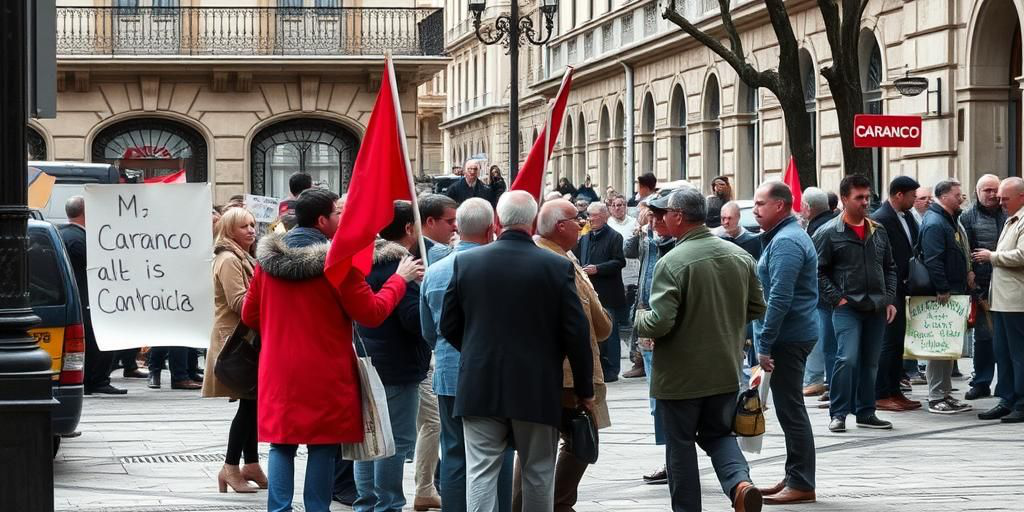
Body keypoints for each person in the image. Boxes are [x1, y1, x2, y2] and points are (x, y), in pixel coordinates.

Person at [242, 188, 423, 512]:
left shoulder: (265, 263)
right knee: (323, 448)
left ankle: (279, 508)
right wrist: (399, 280)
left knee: (281, 445)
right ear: (323, 220)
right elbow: (372, 312)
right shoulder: (339, 264)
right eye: (339, 212)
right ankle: (316, 508)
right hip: (325, 370)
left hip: (278, 368)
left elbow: (249, 314)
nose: (344, 218)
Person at [439, 191, 594, 512]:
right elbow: (576, 333)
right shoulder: (554, 266)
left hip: (480, 383)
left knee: (480, 471)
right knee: (538, 471)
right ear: (533, 221)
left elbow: (448, 324)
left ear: (498, 221)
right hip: (536, 385)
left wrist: (475, 354)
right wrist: (584, 389)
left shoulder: (466, 263)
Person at [634, 188, 765, 512]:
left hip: (679, 377)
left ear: (678, 216)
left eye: (665, 213)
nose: (661, 219)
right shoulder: (739, 256)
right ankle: (739, 483)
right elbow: (757, 307)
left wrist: (639, 319)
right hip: (723, 368)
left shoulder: (672, 262)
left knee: (679, 446)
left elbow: (661, 321)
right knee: (718, 434)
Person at [421, 198, 514, 512]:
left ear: (457, 227)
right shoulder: (500, 268)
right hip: (493, 373)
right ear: (492, 228)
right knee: (498, 451)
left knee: (454, 452)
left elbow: (428, 331)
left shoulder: (434, 272)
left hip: (449, 372)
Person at [524, 199, 614, 511]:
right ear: (560, 226)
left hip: (561, 371)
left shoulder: (559, 256)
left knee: (539, 451)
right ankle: (560, 503)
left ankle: (549, 502)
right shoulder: (555, 261)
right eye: (577, 219)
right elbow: (588, 321)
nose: (582, 224)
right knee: (579, 441)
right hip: (569, 374)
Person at [353, 201, 432, 512]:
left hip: (365, 357)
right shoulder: (405, 267)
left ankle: (366, 504)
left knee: (366, 440)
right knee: (394, 441)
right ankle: (389, 505)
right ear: (410, 229)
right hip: (397, 364)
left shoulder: (365, 259)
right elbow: (413, 319)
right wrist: (427, 295)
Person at [813, 175, 898, 433]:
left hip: (876, 307)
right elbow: (817, 271)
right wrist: (836, 298)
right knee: (847, 358)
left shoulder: (877, 230)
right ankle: (838, 413)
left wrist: (889, 298)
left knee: (871, 362)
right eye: (859, 197)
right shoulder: (828, 232)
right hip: (847, 307)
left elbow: (890, 267)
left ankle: (866, 411)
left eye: (867, 197)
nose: (865, 202)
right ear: (844, 199)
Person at [751, 182, 819, 505]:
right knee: (789, 407)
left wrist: (764, 343)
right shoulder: (782, 237)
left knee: (791, 409)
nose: (755, 209)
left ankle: (802, 481)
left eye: (760, 203)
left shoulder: (788, 242)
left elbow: (780, 297)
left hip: (788, 338)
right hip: (790, 335)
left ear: (780, 206)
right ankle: (795, 475)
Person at [205, 207, 264, 493]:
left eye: (253, 225)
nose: (252, 230)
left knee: (252, 402)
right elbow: (239, 302)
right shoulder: (229, 259)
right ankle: (230, 467)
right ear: (229, 230)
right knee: (249, 403)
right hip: (236, 342)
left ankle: (250, 464)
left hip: (244, 339)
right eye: (244, 226)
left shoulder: (241, 256)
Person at [624, 197, 677, 485]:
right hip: (646, 320)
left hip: (661, 325)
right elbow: (628, 251)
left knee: (664, 398)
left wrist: (656, 238)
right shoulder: (647, 238)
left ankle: (675, 458)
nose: (652, 220)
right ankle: (673, 457)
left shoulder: (673, 244)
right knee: (657, 399)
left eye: (657, 215)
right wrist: (639, 230)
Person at [58, 196, 125, 395]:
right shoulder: (82, 240)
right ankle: (97, 380)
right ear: (86, 212)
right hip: (90, 298)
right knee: (97, 340)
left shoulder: (62, 234)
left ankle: (89, 379)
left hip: (76, 298)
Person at [919, 179, 974, 415]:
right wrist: (942, 288)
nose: (960, 199)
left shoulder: (948, 220)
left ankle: (945, 393)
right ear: (943, 197)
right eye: (956, 195)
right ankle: (935, 396)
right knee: (939, 346)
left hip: (953, 290)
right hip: (942, 294)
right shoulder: (935, 223)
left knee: (948, 346)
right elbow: (933, 259)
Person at [869, 176, 924, 413]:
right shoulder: (880, 219)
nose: (915, 200)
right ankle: (881, 393)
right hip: (889, 291)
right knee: (888, 344)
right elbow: (878, 260)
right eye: (912, 195)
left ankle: (895, 390)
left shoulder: (909, 216)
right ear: (899, 195)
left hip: (905, 287)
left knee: (899, 344)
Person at [973, 177, 1024, 422]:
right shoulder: (1011, 219)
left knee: (1018, 353)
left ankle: (1021, 402)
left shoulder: (1022, 219)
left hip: (1017, 301)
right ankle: (1007, 398)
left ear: (1021, 197)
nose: (1000, 202)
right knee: (1002, 351)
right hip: (1002, 300)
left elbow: (1022, 255)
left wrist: (992, 256)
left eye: (1005, 198)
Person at [960, 174, 1007, 401]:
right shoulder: (968, 216)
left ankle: (1006, 384)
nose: (991, 194)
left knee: (1007, 337)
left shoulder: (1009, 212)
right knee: (984, 336)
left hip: (1009, 285)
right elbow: (965, 250)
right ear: (977, 192)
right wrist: (973, 283)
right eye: (986, 190)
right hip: (982, 286)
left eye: (994, 190)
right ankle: (981, 382)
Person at [573, 202, 627, 382]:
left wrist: (598, 268)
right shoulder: (585, 237)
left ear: (604, 216)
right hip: (589, 291)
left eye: (594, 215)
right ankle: (600, 367)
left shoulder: (615, 237)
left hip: (608, 292)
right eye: (589, 214)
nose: (590, 218)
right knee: (594, 331)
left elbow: (619, 262)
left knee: (610, 332)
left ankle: (612, 369)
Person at [800, 187, 838, 399]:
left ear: (808, 208)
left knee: (829, 344)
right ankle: (826, 384)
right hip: (830, 296)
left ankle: (832, 387)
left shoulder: (818, 229)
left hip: (825, 298)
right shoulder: (830, 224)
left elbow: (818, 269)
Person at [419, 193, 458, 264]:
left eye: (456, 220)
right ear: (430, 221)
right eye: (450, 221)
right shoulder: (423, 253)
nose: (455, 227)